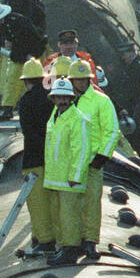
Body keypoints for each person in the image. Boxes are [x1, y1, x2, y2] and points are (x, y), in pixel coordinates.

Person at [68, 56, 119, 259]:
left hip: (91, 162)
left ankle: (90, 241)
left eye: (84, 79)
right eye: (77, 80)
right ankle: (72, 240)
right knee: (70, 203)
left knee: (91, 202)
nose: (81, 83)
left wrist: (102, 157)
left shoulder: (101, 101)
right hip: (70, 162)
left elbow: (112, 131)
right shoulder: (64, 100)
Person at [43, 76, 86, 267]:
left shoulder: (78, 120)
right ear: (53, 99)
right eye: (58, 97)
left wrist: (75, 176)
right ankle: (63, 247)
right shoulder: (54, 117)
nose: (61, 101)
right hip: (54, 177)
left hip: (69, 178)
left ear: (71, 98)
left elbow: (81, 150)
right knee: (58, 215)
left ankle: (71, 250)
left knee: (69, 215)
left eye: (65, 97)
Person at [0, 0, 45, 121]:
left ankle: (33, 109)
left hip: (31, 54)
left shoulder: (19, 22)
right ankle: (8, 109)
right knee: (11, 80)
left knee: (33, 83)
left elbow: (34, 40)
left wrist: (28, 55)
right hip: (17, 55)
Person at [18, 57, 55, 254]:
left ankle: (44, 240)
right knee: (54, 200)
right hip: (54, 157)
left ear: (26, 81)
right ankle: (55, 236)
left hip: (34, 159)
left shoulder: (25, 102)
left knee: (38, 202)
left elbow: (28, 132)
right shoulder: (53, 98)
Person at [114, 42, 140, 116]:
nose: (123, 58)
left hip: (138, 102)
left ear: (131, 54)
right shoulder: (131, 65)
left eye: (124, 55)